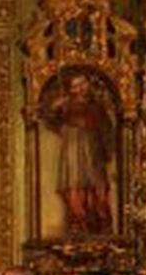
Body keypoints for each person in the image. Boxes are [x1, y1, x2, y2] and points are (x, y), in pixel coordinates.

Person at [44, 72, 114, 236]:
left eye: (83, 84)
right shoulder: (65, 105)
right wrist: (55, 108)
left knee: (96, 188)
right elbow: (49, 119)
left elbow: (106, 129)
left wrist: (108, 148)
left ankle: (98, 222)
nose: (81, 88)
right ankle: (78, 221)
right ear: (71, 90)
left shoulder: (97, 106)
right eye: (76, 86)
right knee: (75, 186)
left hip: (92, 148)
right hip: (73, 148)